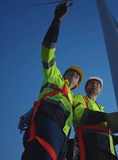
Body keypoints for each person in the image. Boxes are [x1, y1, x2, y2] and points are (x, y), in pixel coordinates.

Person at [21, 2, 84, 160]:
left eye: (77, 76)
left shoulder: (74, 99)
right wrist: (57, 20)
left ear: (77, 85)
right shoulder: (53, 75)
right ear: (64, 74)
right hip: (48, 120)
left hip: (63, 135)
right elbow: (47, 49)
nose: (73, 75)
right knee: (42, 154)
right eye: (70, 72)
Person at [72, 76, 118, 160]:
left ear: (100, 91)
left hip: (109, 152)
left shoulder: (101, 109)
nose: (95, 85)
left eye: (98, 84)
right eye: (92, 83)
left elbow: (105, 135)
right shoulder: (80, 98)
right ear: (85, 88)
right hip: (91, 146)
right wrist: (105, 117)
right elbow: (81, 115)